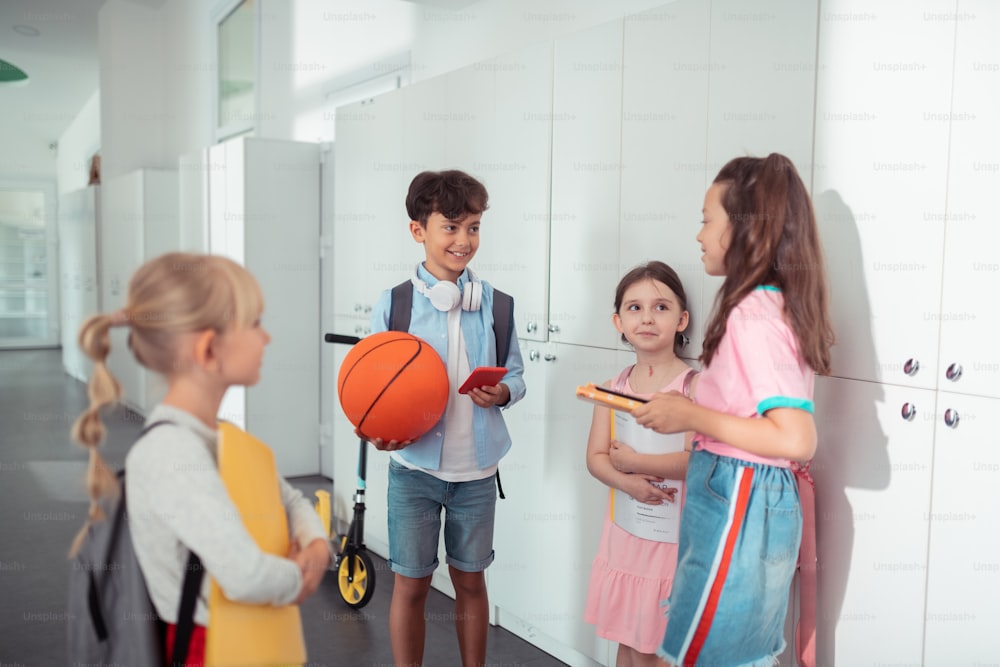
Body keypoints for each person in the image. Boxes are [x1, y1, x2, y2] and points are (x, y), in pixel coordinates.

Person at [70, 252, 331, 665]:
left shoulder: (218, 435)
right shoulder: (172, 455)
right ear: (209, 349)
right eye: (256, 324)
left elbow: (291, 501)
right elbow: (245, 575)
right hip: (209, 653)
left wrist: (316, 547)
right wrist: (301, 575)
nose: (267, 339)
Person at [629, 154, 835, 667]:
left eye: (706, 220)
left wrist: (691, 417)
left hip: (740, 499)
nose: (698, 235)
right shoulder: (767, 305)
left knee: (700, 655)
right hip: (744, 498)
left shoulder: (751, 316)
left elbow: (796, 438)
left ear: (742, 231)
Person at [367, 169, 526, 667]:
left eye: (473, 228)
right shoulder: (394, 305)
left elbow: (517, 376)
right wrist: (380, 432)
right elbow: (372, 389)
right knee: (410, 585)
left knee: (472, 582)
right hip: (414, 473)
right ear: (419, 230)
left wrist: (501, 391)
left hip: (477, 474)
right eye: (451, 227)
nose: (464, 240)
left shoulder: (497, 306)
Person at [583, 261, 697, 667]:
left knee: (658, 647)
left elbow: (693, 462)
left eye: (661, 307)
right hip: (625, 536)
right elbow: (595, 458)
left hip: (671, 542)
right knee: (627, 642)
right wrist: (628, 482)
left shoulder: (692, 387)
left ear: (682, 319)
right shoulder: (612, 387)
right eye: (634, 308)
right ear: (618, 320)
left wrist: (634, 461)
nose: (647, 317)